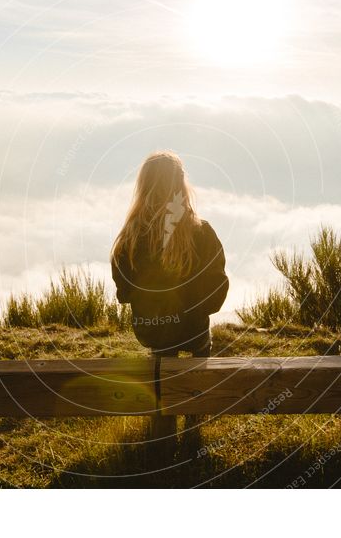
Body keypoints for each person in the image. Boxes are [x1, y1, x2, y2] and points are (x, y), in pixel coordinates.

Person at [110, 150, 229, 454]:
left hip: (152, 329)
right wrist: (198, 308)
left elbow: (123, 290)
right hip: (193, 327)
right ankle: (194, 427)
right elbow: (216, 284)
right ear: (181, 185)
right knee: (199, 349)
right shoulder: (201, 232)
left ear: (143, 186)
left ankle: (161, 433)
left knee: (162, 356)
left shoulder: (130, 237)